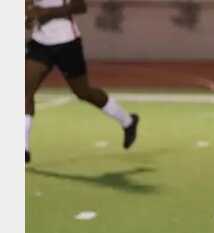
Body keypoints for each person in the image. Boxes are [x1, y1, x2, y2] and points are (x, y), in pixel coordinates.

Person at [25, 0, 139, 163]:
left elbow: (80, 6)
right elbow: (29, 6)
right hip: (40, 43)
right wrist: (28, 16)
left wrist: (48, 12)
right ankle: (23, 148)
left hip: (67, 42)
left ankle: (128, 121)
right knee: (24, 91)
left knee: (83, 92)